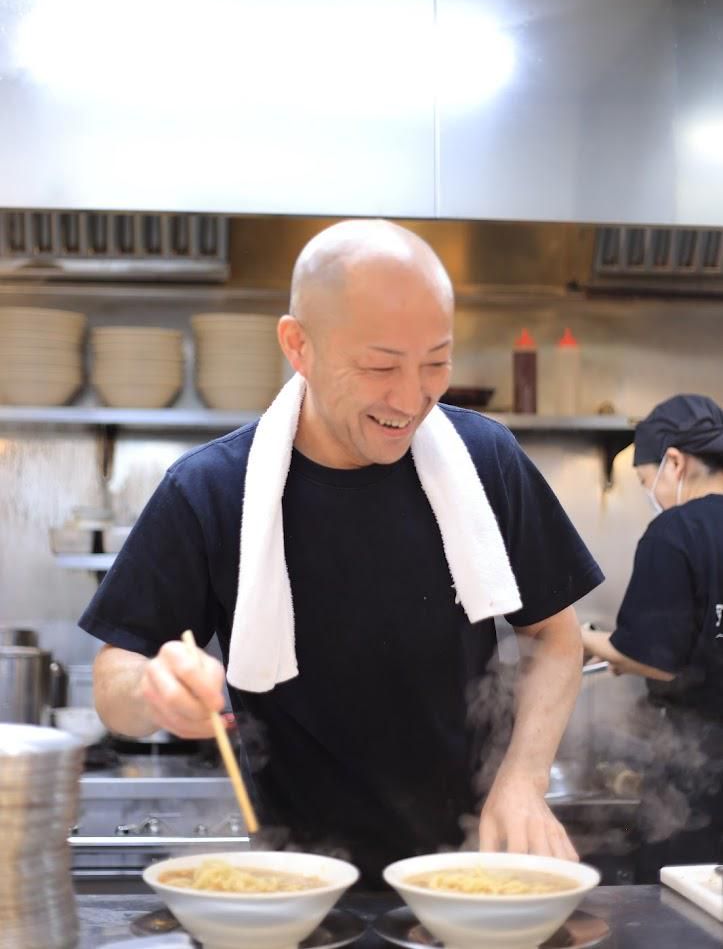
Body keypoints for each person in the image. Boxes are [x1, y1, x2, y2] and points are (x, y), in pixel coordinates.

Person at [80, 219, 602, 882]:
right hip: (296, 883)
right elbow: (113, 676)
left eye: (436, 362)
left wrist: (523, 778)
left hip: (467, 872)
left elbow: (555, 637)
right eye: (381, 365)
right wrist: (154, 690)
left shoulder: (484, 461)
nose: (413, 398)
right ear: (298, 345)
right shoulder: (212, 489)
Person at [582, 393, 723, 877]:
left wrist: (584, 638)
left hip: (700, 769)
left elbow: (651, 658)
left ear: (675, 463)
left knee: (687, 908)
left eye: (647, 481)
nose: (652, 493)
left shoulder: (676, 531)